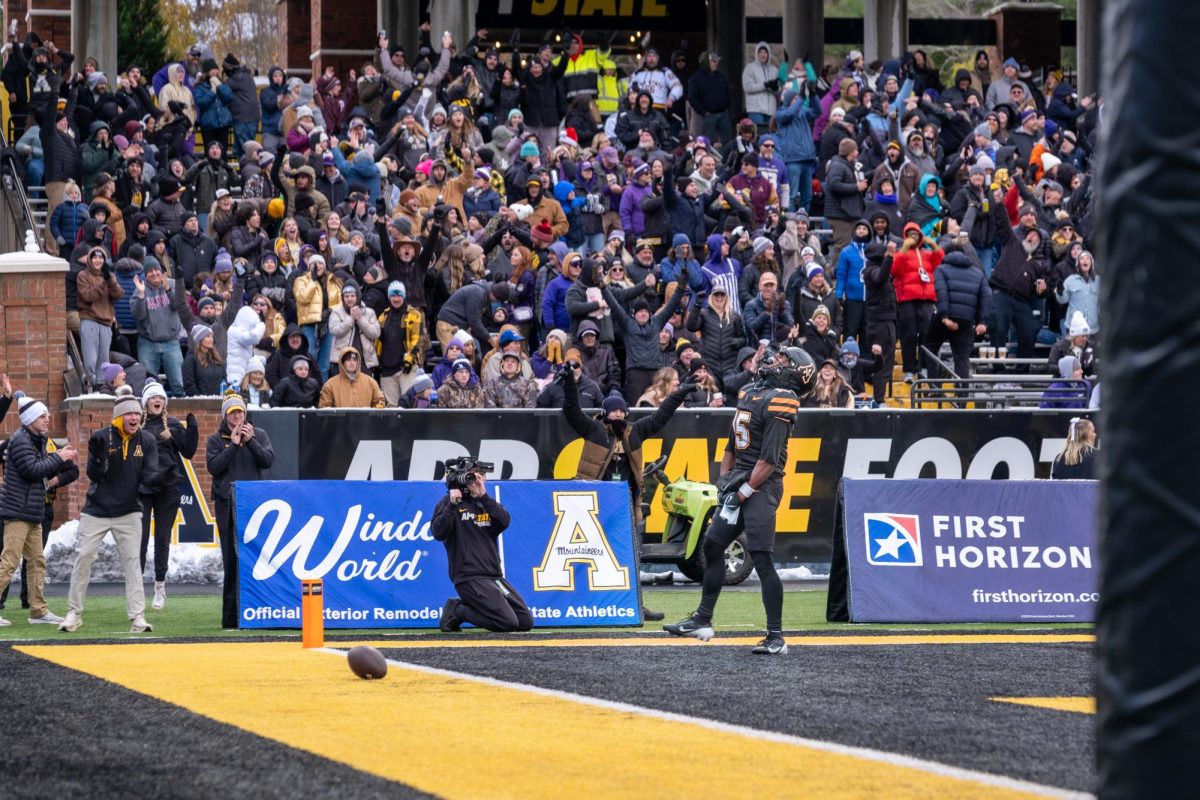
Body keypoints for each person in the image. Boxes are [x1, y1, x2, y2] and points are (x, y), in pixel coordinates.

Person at [664, 346, 817, 655]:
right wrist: (725, 481)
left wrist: (744, 491)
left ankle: (776, 636)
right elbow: (731, 446)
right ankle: (703, 619)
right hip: (740, 481)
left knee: (761, 558)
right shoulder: (751, 393)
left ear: (795, 373)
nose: (776, 361)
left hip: (763, 486)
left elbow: (769, 460)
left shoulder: (784, 399)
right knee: (712, 545)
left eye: (784, 360)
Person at [561, 367, 694, 621]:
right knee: (585, 558)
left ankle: (635, 606)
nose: (618, 414)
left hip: (625, 509)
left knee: (630, 559)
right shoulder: (594, 430)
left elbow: (662, 415)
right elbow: (571, 411)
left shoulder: (636, 432)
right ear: (604, 413)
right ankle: (580, 606)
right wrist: (569, 383)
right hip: (593, 508)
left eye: (621, 410)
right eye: (613, 410)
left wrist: (680, 393)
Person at [60, 387, 159, 634]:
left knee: (133, 562)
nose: (134, 417)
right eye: (129, 414)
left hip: (129, 511)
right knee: (84, 557)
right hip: (97, 509)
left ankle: (138, 616)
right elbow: (94, 476)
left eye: (137, 413)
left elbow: (149, 474)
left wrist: (158, 479)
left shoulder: (147, 440)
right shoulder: (103, 437)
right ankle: (74, 613)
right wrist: (96, 458)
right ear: (118, 416)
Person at [0, 393, 78, 626]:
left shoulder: (37, 440)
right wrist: (59, 457)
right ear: (31, 418)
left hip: (33, 511)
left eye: (47, 415)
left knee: (36, 562)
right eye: (42, 415)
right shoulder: (20, 440)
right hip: (17, 512)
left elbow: (42, 469)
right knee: (9, 561)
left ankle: (38, 610)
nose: (47, 419)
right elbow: (33, 470)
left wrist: (59, 458)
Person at [432, 458, 532, 633]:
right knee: (507, 623)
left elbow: (504, 522)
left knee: (525, 621)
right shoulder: (447, 502)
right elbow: (438, 533)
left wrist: (484, 497)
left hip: (494, 576)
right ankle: (458, 610)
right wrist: (451, 506)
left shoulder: (485, 502)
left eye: (482, 476)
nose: (478, 480)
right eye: (474, 476)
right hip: (469, 576)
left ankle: (465, 607)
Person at [206, 391, 275, 628]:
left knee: (257, 558)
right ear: (225, 416)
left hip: (254, 504)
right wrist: (233, 446)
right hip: (228, 504)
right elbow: (214, 467)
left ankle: (260, 612)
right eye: (232, 412)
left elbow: (268, 460)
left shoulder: (259, 434)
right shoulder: (216, 439)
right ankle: (231, 618)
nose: (237, 416)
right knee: (232, 560)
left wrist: (251, 441)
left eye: (240, 412)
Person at [138, 380, 198, 611]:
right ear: (146, 402)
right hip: (142, 489)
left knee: (162, 538)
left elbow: (189, 452)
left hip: (168, 489)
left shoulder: (172, 425)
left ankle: (159, 587)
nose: (158, 401)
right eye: (153, 397)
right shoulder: (137, 427)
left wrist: (191, 428)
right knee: (139, 541)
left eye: (161, 398)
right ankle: (136, 590)